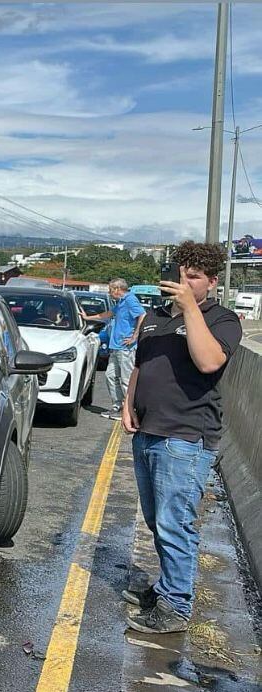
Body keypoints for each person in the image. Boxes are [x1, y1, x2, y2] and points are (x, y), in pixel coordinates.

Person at [122, 242, 242, 634]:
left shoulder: (221, 319)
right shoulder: (154, 317)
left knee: (175, 523)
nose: (184, 282)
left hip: (186, 438)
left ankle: (175, 606)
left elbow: (209, 362)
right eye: (181, 274)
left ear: (212, 281)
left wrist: (189, 307)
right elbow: (140, 365)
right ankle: (166, 587)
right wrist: (128, 403)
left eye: (194, 277)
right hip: (147, 431)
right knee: (157, 520)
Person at [85, 279, 147, 419]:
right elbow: (108, 314)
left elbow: (142, 315)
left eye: (111, 290)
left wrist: (135, 336)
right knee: (110, 376)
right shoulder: (120, 302)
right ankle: (118, 406)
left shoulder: (130, 299)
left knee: (126, 380)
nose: (109, 292)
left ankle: (129, 410)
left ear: (118, 289)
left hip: (126, 347)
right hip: (116, 346)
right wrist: (88, 317)